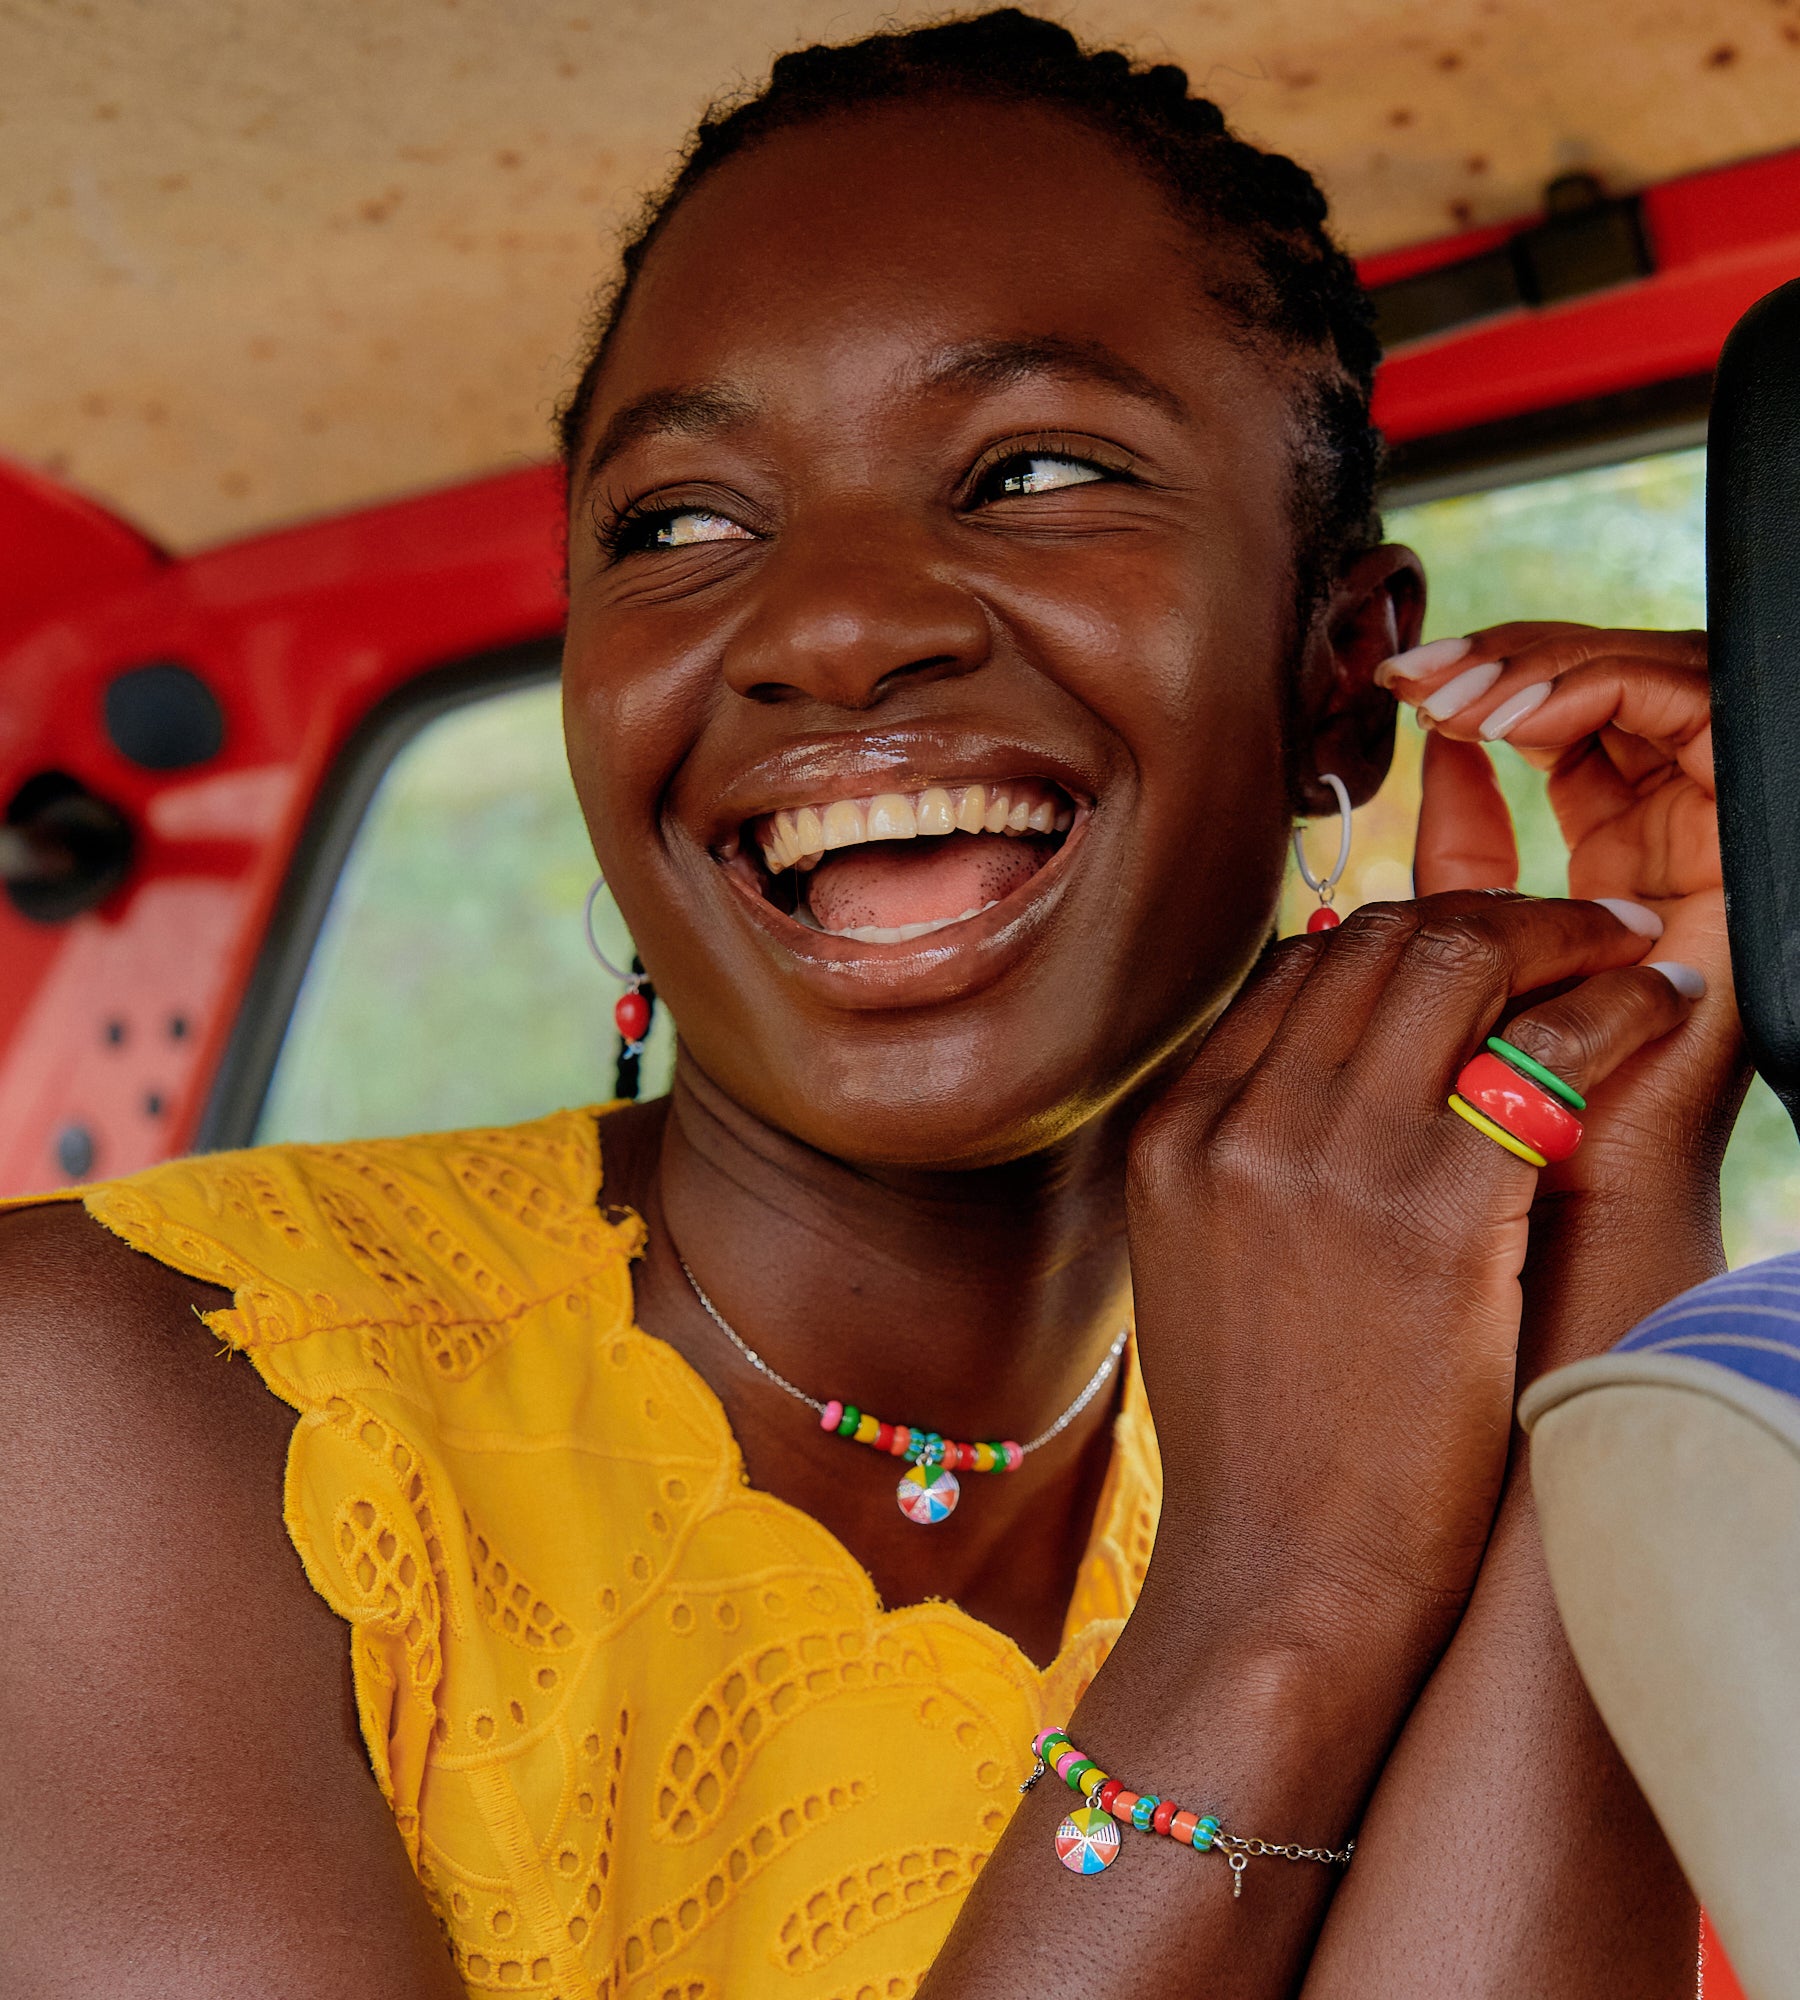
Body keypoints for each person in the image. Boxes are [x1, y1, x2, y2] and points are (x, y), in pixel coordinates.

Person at [0, 13, 1742, 1996]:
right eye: (678, 525)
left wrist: (1621, 1131)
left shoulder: (1359, 1377)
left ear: (1339, 670)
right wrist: (1277, 1608)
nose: (829, 626)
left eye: (1035, 471)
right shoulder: (97, 1401)